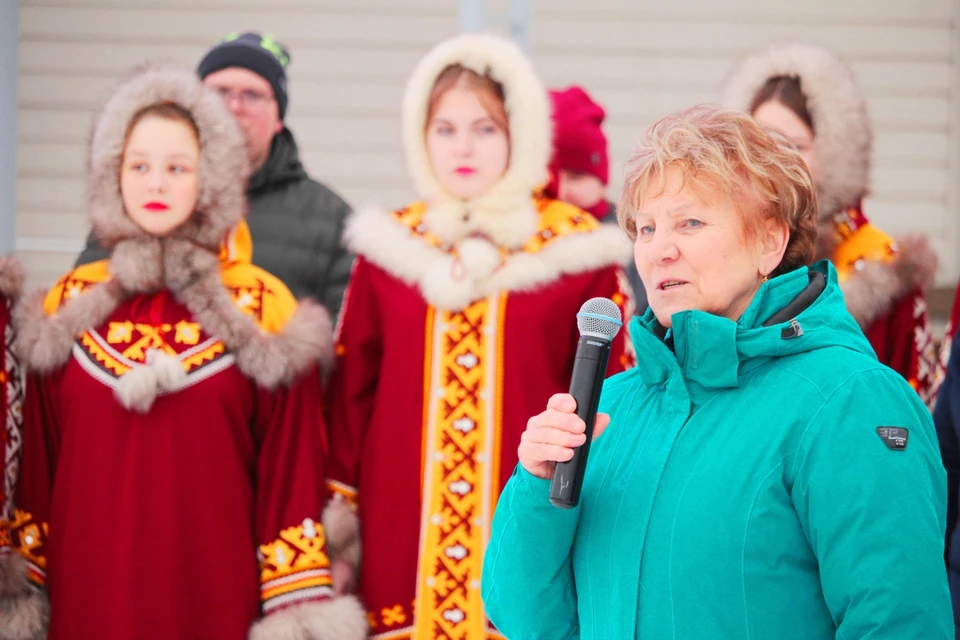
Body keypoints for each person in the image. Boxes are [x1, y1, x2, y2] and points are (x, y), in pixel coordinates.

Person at [482, 104, 953, 639]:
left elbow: (897, 622)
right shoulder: (612, 407)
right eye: (646, 227)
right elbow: (529, 620)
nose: (660, 249)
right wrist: (538, 488)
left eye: (691, 221)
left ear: (769, 242)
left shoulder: (850, 402)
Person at [0, 65, 366, 640]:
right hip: (86, 603)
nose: (156, 183)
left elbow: (287, 486)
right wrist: (21, 599)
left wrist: (295, 608)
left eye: (178, 168)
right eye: (139, 166)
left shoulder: (264, 315)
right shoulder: (65, 315)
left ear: (212, 179)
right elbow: (36, 486)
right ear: (112, 176)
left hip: (217, 603)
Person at [322, 34, 635, 640]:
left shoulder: (576, 252)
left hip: (534, 531)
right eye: (445, 129)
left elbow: (613, 401)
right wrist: (338, 539)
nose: (463, 147)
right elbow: (348, 407)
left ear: (519, 134)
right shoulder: (390, 251)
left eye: (485, 129)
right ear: (420, 136)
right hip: (400, 542)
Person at [75, 32, 355, 320]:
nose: (234, 107)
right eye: (220, 92)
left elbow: (343, 335)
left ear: (279, 118)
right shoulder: (141, 202)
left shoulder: (330, 218)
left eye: (252, 95)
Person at [721, 43, 937, 405]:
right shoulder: (722, 249)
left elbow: (910, 406)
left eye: (794, 146)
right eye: (759, 144)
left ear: (835, 151)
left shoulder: (883, 266)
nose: (774, 161)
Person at [547, 85, 646, 310]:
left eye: (576, 176)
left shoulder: (633, 240)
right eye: (549, 176)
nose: (561, 192)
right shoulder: (519, 242)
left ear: (602, 180)